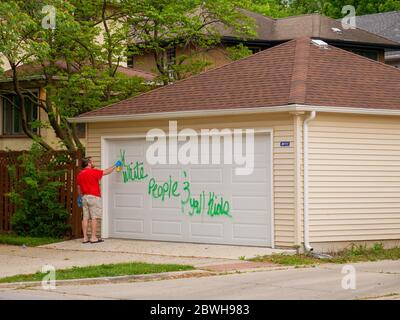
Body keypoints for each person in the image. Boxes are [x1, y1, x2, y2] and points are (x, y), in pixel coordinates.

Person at [77, 157, 121, 244]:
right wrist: (115, 165)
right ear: (89, 163)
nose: (92, 163)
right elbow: (106, 172)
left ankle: (85, 238)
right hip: (94, 197)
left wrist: (79, 197)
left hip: (84, 197)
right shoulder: (93, 171)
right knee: (94, 217)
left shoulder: (80, 174)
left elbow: (78, 187)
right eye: (91, 162)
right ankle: (93, 237)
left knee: (85, 218)